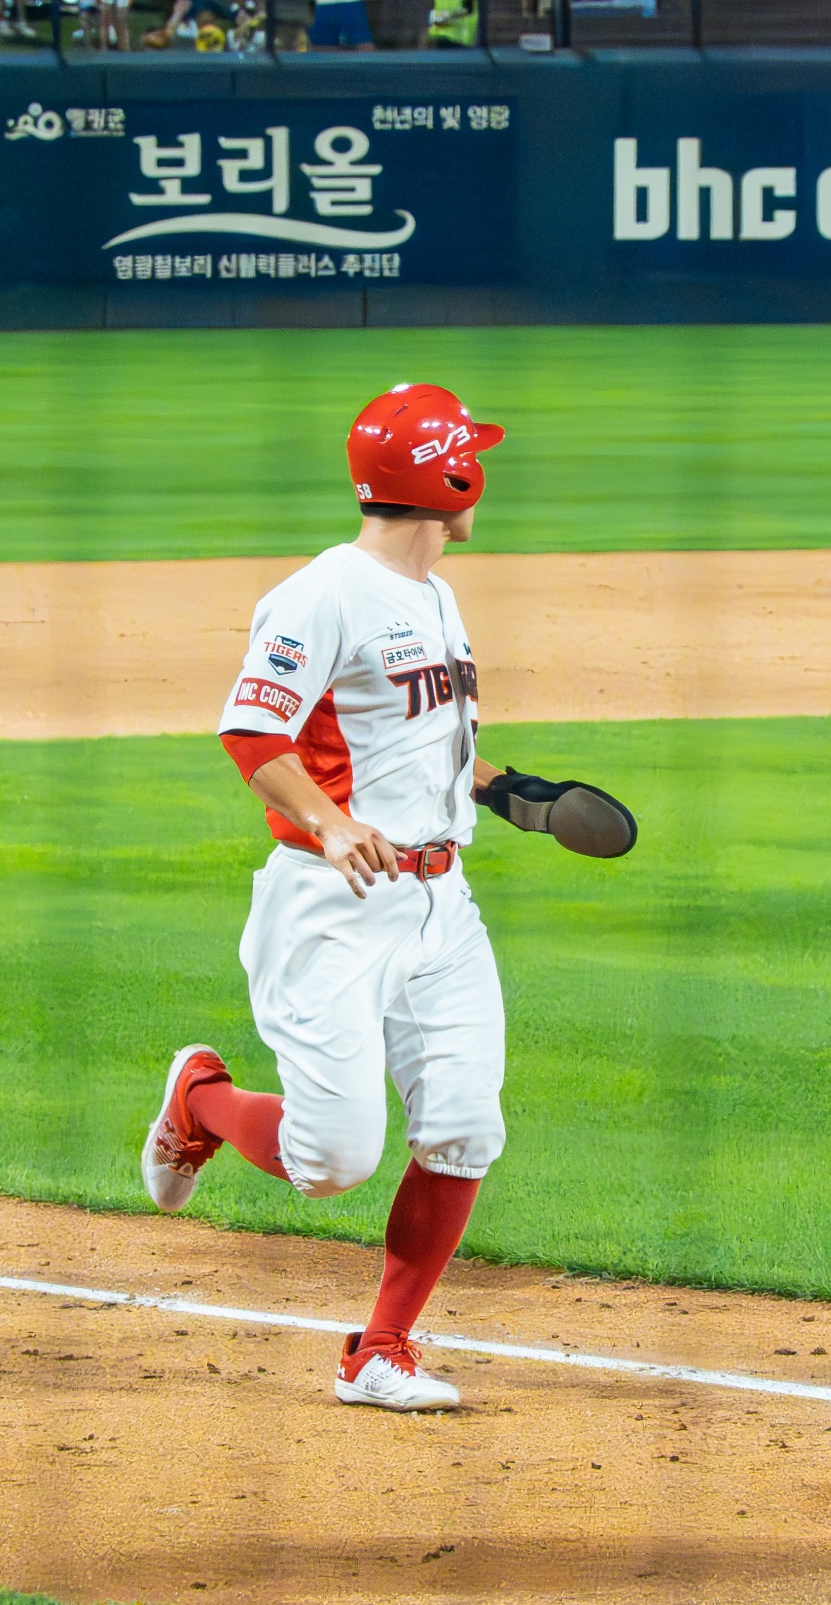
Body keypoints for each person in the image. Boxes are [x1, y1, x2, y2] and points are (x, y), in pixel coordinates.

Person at [138, 384, 638, 1413]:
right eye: (474, 461)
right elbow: (252, 731)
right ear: (450, 478)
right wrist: (329, 822)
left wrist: (511, 794)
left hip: (442, 910)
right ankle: (200, 1099)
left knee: (463, 1130)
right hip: (333, 907)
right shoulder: (323, 594)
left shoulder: (436, 597)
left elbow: (414, 747)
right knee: (332, 1163)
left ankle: (380, 1350)